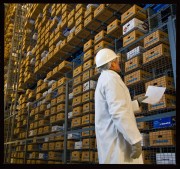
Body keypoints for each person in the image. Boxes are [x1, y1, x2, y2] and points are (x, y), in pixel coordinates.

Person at [95, 48, 148, 164]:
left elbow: (114, 108)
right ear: (112, 63)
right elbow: (118, 111)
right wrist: (135, 140)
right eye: (117, 61)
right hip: (117, 142)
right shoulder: (111, 78)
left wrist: (136, 103)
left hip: (110, 140)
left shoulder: (103, 79)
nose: (118, 63)